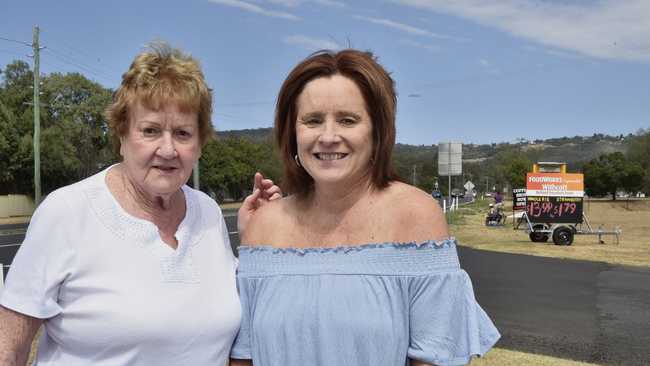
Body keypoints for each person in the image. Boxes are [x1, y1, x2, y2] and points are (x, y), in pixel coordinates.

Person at [0, 42, 279, 365]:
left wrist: (256, 239)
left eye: (183, 133)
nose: (168, 149)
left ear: (200, 145)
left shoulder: (208, 213)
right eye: (150, 130)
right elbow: (8, 350)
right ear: (122, 135)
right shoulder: (67, 211)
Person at [230, 49, 500, 366]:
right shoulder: (265, 226)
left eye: (348, 120)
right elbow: (242, 358)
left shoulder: (416, 218)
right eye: (313, 120)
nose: (328, 136)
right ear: (292, 132)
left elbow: (433, 358)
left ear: (378, 131)